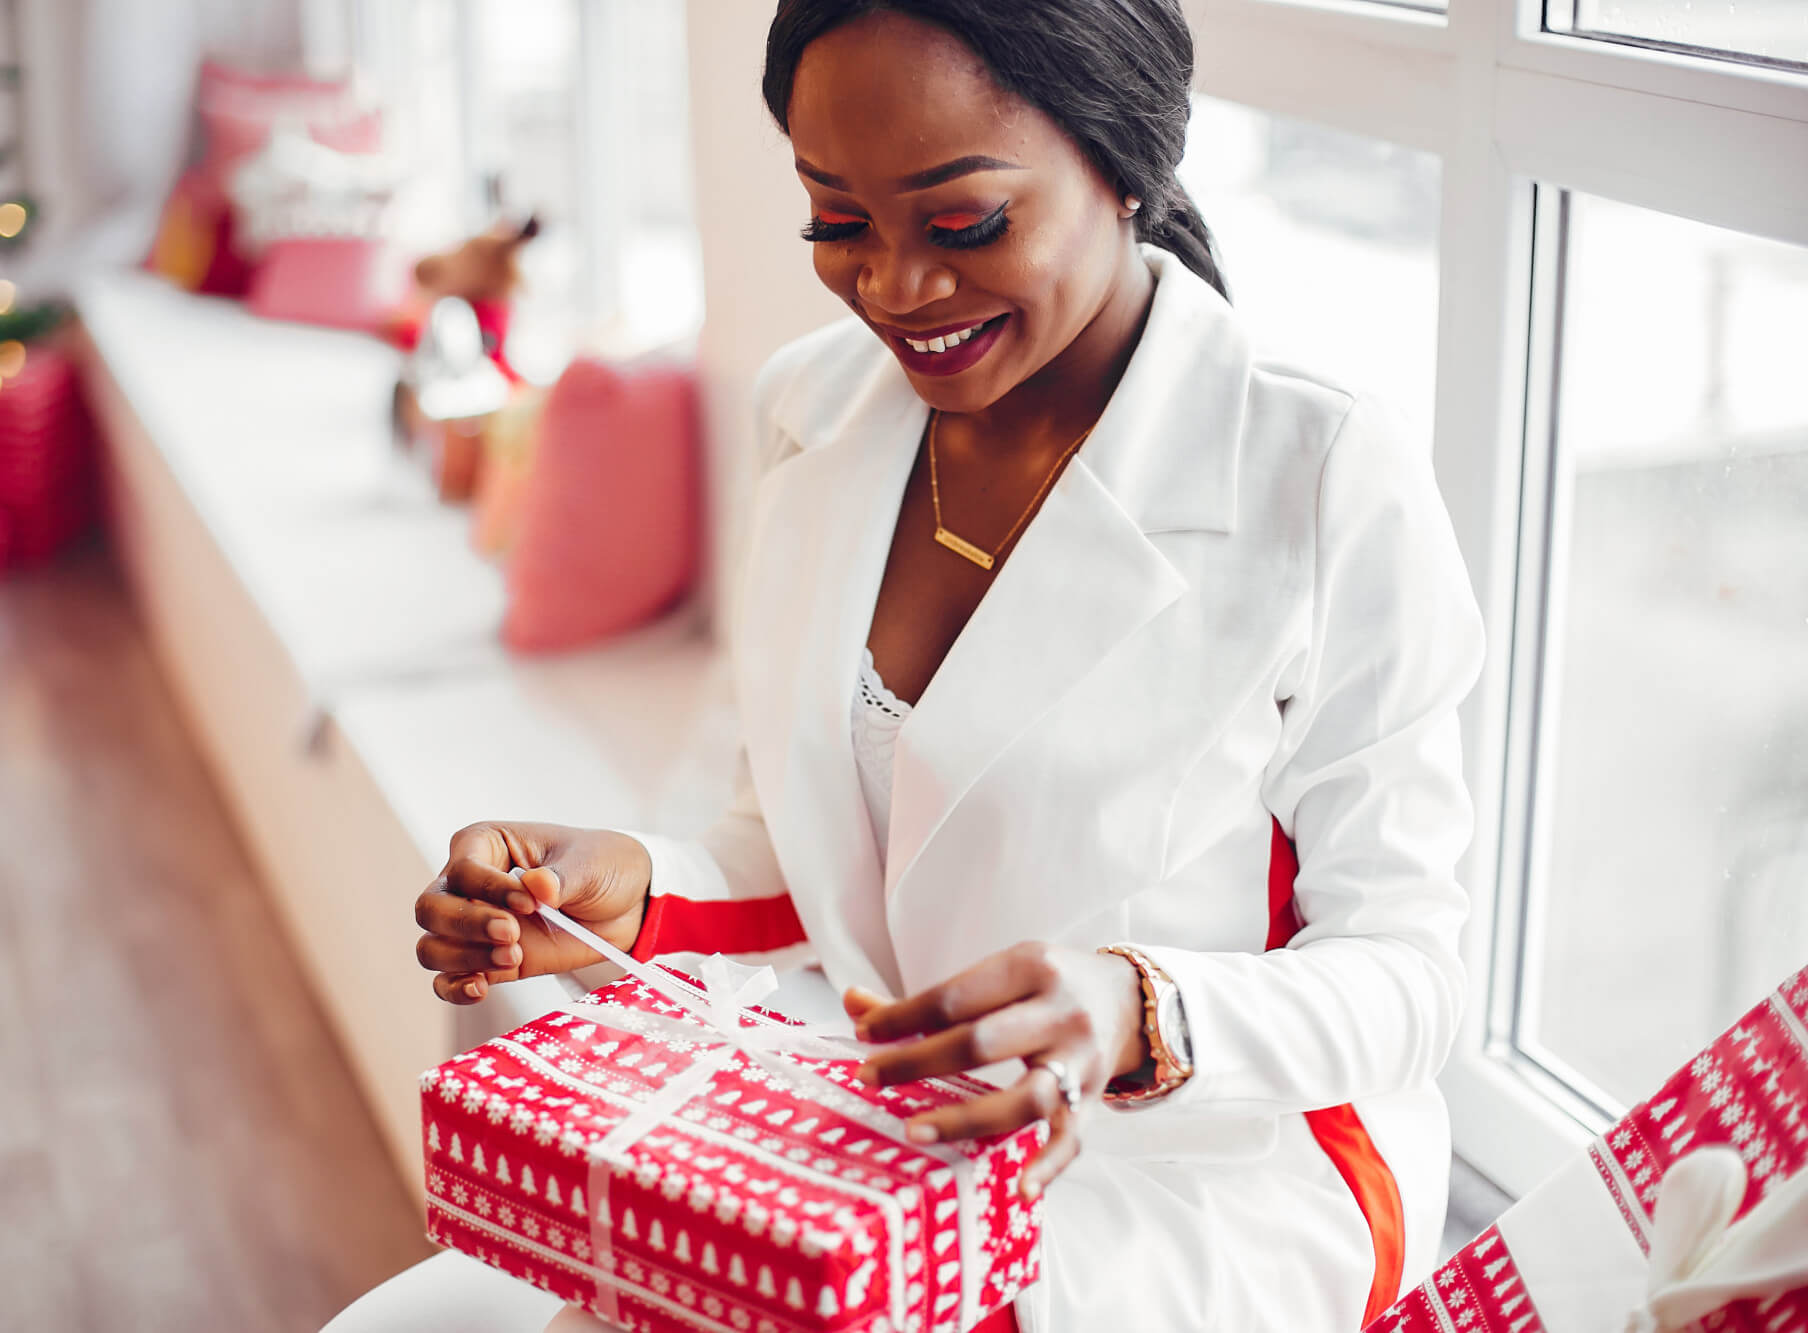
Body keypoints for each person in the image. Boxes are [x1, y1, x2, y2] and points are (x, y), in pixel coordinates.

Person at [330, 1, 1485, 1328]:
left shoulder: (1322, 474)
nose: (894, 288)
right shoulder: (814, 412)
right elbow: (806, 848)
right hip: (898, 1122)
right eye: (837, 221)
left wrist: (1137, 1010)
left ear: (1123, 163)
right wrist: (623, 888)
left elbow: (1416, 976)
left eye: (964, 223)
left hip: (1215, 1173)